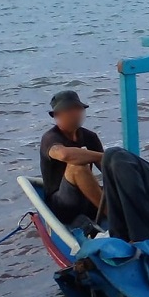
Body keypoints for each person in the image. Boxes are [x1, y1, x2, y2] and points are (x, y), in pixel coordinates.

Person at [39, 90, 104, 224]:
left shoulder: (90, 137)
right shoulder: (50, 138)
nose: (75, 113)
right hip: (62, 204)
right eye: (69, 110)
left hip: (87, 199)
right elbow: (64, 154)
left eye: (78, 109)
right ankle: (111, 214)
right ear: (57, 115)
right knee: (77, 167)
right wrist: (104, 156)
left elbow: (106, 168)